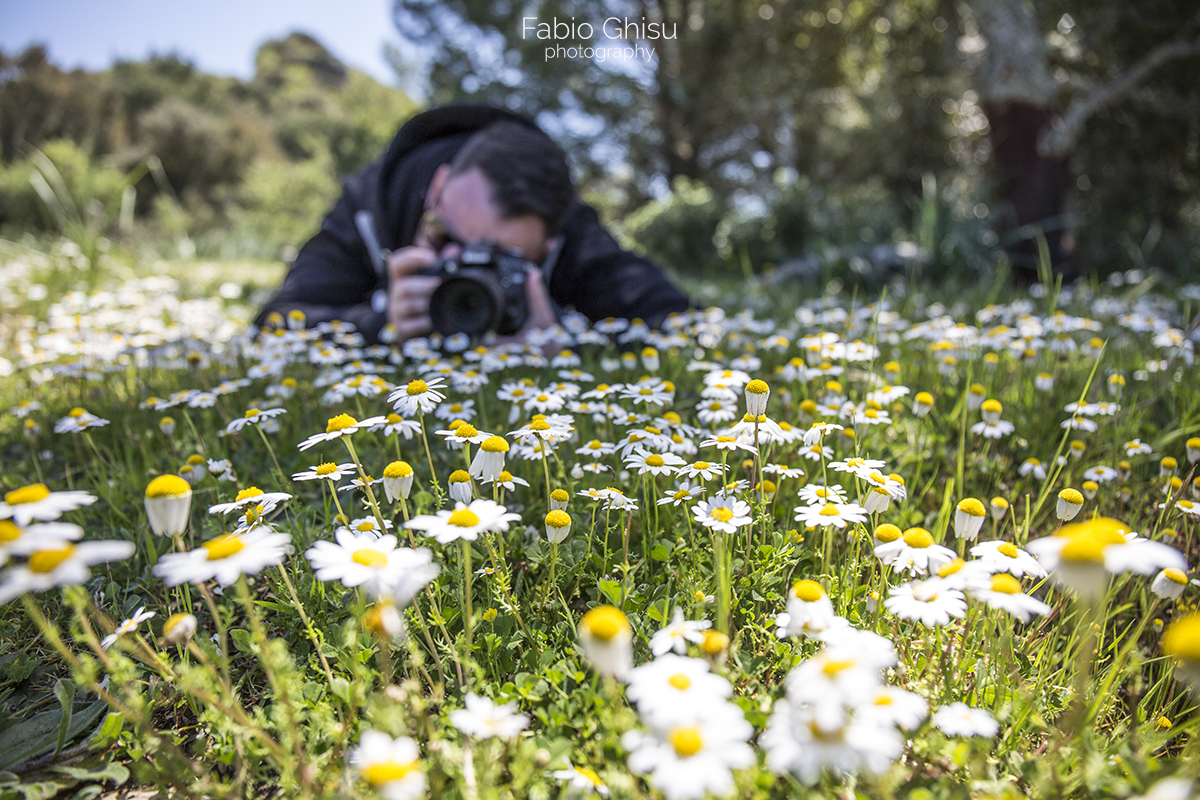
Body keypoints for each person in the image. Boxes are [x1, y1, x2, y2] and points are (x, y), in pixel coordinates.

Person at [255, 104, 689, 344]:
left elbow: (681, 322)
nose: (463, 269)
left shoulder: (563, 218)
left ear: (551, 245)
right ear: (438, 186)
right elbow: (273, 326)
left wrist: (559, 344)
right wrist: (381, 319)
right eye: (444, 236)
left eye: (499, 261)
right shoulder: (370, 205)